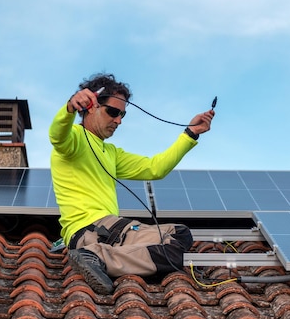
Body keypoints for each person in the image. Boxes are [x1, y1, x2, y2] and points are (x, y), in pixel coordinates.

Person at [49, 73, 214, 294]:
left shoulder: (111, 152)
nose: (118, 120)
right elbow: (57, 136)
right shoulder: (74, 139)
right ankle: (95, 255)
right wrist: (69, 108)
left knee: (178, 236)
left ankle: (100, 257)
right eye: (113, 112)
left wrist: (190, 133)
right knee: (171, 252)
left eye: (122, 114)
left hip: (108, 232)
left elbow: (155, 168)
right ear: (90, 106)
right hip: (92, 230)